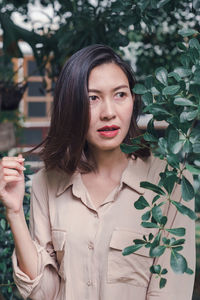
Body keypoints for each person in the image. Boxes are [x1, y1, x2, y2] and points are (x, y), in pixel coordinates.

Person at [0, 45, 195, 300]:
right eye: (92, 98)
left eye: (120, 95)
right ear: (72, 105)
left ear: (133, 99)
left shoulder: (172, 184)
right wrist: (14, 212)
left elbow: (171, 292)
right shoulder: (47, 182)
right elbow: (42, 293)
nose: (109, 113)